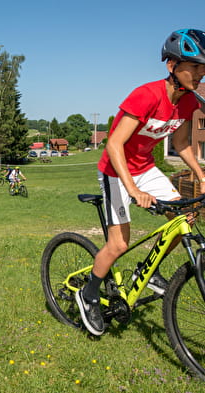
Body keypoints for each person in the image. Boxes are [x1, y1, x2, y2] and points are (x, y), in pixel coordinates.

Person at [75, 28, 205, 336]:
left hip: (145, 168)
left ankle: (149, 272)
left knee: (183, 218)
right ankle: (89, 294)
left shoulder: (188, 102)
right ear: (172, 66)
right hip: (115, 171)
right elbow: (114, 144)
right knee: (119, 243)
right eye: (195, 66)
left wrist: (201, 174)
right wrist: (133, 190)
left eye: (204, 68)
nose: (201, 73)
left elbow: (183, 143)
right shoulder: (146, 95)